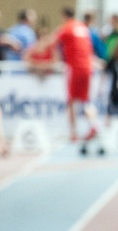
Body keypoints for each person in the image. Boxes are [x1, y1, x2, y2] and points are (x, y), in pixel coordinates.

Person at [38, 8, 98, 142]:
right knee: (85, 100)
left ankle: (73, 133)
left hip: (74, 68)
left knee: (71, 101)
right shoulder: (82, 28)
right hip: (88, 67)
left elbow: (51, 41)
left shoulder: (66, 28)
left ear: (64, 17)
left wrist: (38, 47)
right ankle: (93, 125)